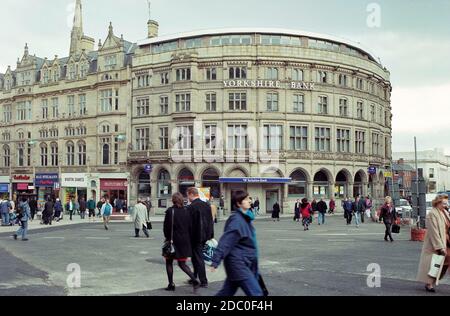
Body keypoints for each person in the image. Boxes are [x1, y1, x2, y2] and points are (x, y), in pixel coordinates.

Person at [210, 190, 263, 296]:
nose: (250, 201)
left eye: (249, 198)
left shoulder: (245, 218)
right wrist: (216, 261)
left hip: (242, 262)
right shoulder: (237, 221)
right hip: (238, 264)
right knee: (256, 293)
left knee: (226, 292)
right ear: (239, 203)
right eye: (246, 199)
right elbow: (226, 241)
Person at [163, 193, 200, 291]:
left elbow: (166, 228)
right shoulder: (187, 211)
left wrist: (167, 238)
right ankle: (194, 279)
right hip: (185, 241)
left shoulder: (170, 211)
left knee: (169, 262)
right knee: (182, 264)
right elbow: (191, 227)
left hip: (173, 241)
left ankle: (171, 284)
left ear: (173, 200)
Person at [417, 194, 450, 293]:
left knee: (444, 264)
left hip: (447, 241)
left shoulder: (445, 212)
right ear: (438, 203)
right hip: (437, 244)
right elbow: (433, 232)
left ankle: (431, 281)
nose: (446, 205)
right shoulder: (432, 214)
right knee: (436, 264)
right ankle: (429, 283)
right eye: (444, 203)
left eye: (446, 203)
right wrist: (440, 247)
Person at [187, 187, 214, 288]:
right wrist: (210, 235)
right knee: (196, 257)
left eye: (187, 195)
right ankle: (194, 277)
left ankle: (203, 281)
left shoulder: (191, 207)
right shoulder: (206, 205)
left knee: (198, 258)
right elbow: (210, 221)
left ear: (191, 194)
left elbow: (189, 224)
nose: (187, 197)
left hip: (195, 236)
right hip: (205, 236)